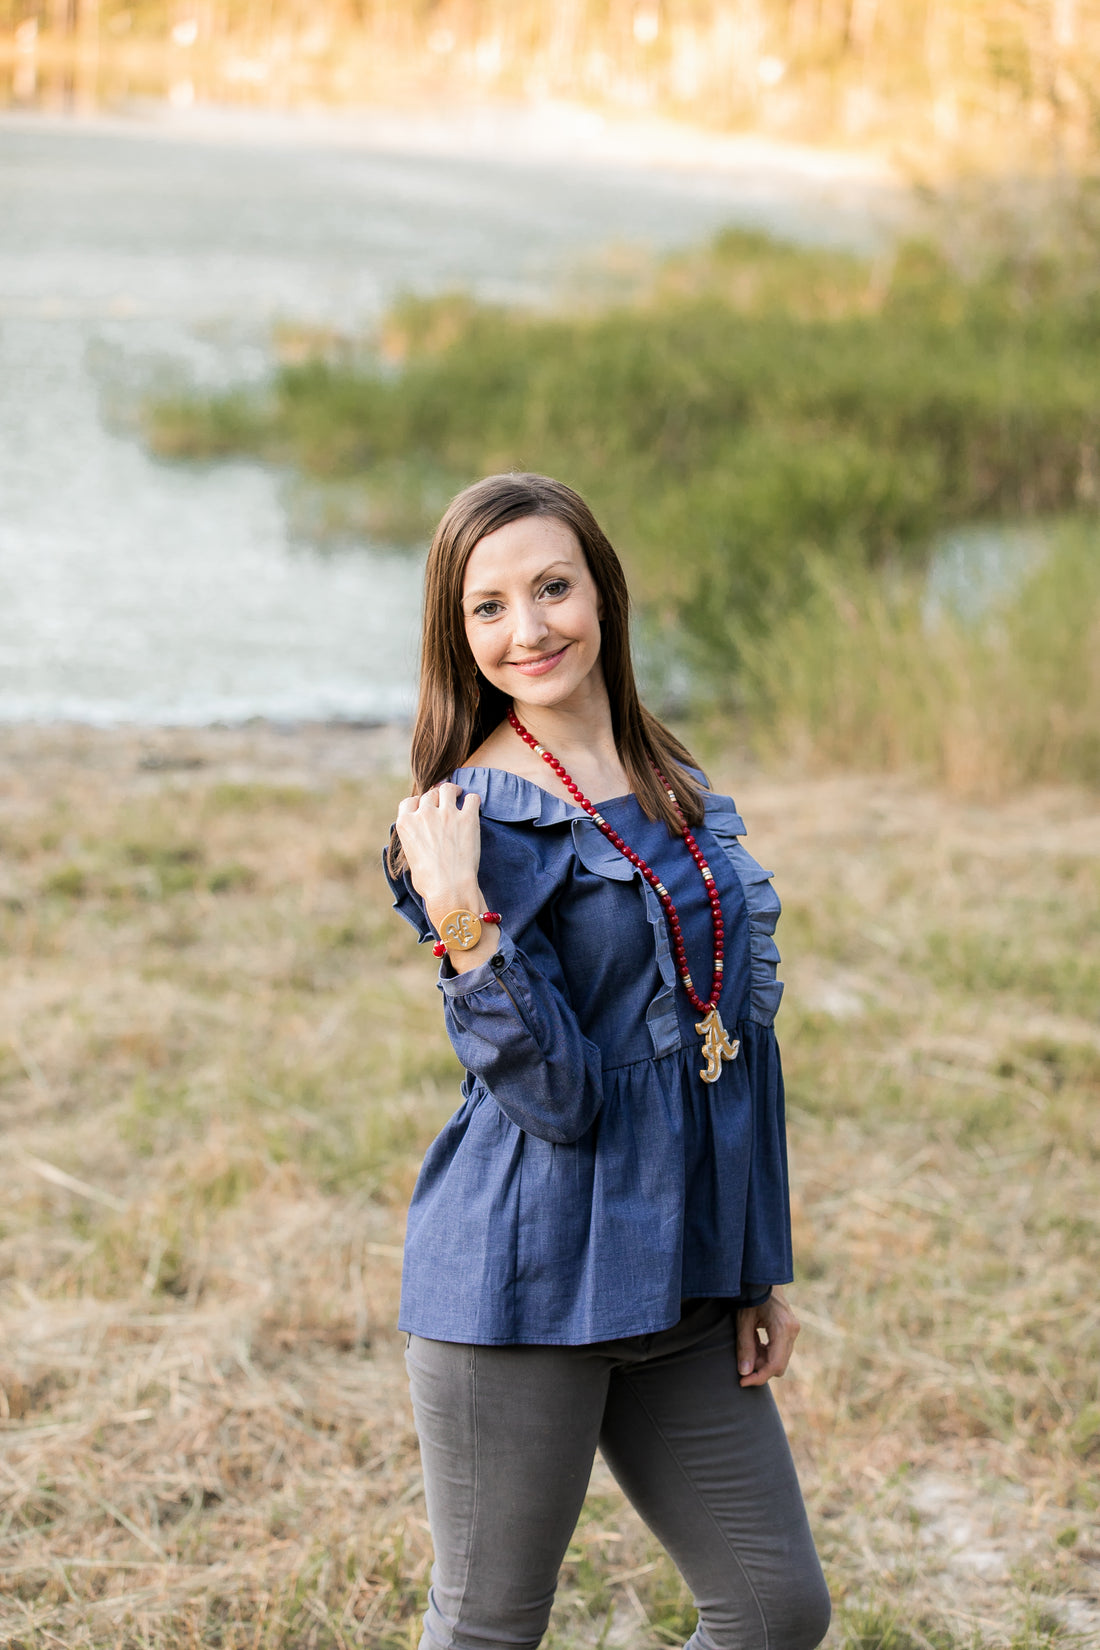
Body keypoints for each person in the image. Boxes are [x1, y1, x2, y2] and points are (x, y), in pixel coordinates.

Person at [383, 473, 830, 1650]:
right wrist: (462, 919)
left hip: (677, 1269)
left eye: (549, 587)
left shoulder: (664, 777)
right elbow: (559, 1099)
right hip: (521, 1281)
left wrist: (753, 1265)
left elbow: (728, 1042)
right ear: (456, 632)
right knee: (488, 1627)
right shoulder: (468, 824)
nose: (526, 630)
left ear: (601, 594)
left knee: (774, 1610)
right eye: (487, 607)